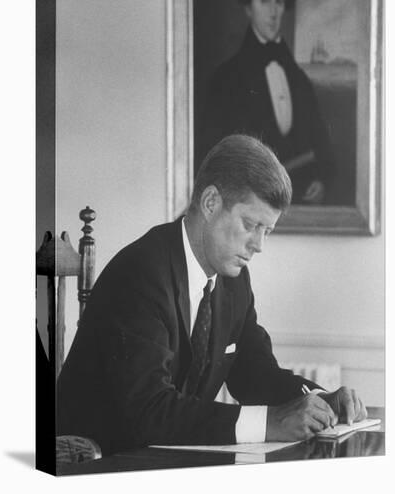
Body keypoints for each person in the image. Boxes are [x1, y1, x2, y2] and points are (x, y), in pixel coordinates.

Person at [57, 135, 365, 456]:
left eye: (267, 231)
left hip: (164, 456)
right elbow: (147, 410)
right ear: (210, 203)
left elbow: (254, 373)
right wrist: (270, 422)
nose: (258, 245)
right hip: (92, 458)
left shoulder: (233, 279)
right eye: (250, 224)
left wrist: (320, 399)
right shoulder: (140, 273)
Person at [197, 0, 335, 204]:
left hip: (301, 203)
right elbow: (214, 157)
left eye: (279, 1)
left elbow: (320, 141)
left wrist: (321, 180)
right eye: (264, 0)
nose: (273, 11)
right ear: (248, 8)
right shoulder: (225, 78)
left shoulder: (299, 78)